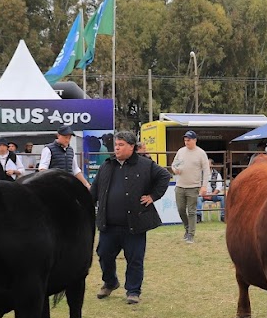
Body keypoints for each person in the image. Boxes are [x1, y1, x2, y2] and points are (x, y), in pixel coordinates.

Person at [88, 130, 170, 305]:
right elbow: (94, 190)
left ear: (131, 147)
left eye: (121, 145)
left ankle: (133, 291)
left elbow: (164, 176)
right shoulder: (107, 165)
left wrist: (152, 196)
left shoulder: (145, 164)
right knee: (103, 254)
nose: (117, 148)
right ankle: (110, 282)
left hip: (135, 223)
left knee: (134, 258)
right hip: (108, 224)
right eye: (116, 145)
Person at [170, 130, 208, 242]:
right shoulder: (181, 151)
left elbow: (206, 170)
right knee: (181, 209)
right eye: (185, 140)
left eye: (189, 140)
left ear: (195, 140)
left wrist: (204, 186)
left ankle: (191, 234)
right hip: (180, 185)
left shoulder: (201, 153)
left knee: (192, 211)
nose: (187, 142)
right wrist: (174, 170)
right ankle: (187, 228)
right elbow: (174, 164)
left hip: (193, 186)